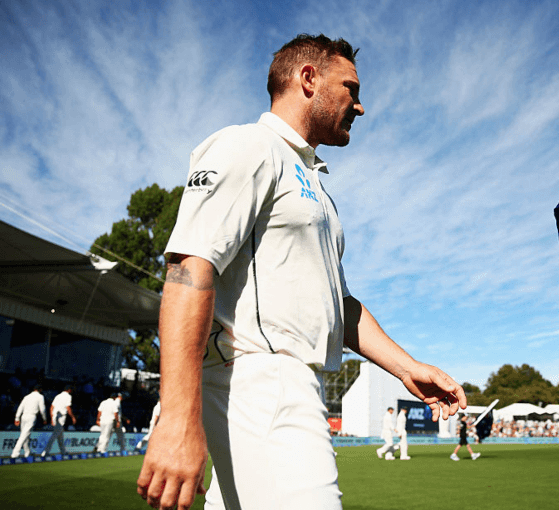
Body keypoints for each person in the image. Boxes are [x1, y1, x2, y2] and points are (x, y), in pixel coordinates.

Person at [136, 33, 466, 510]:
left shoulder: (315, 188)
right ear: (308, 78)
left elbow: (341, 305)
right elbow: (190, 267)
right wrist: (177, 417)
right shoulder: (249, 145)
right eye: (351, 88)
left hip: (278, 385)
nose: (360, 106)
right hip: (261, 380)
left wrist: (407, 368)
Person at [11, 385, 46, 458]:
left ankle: (27, 452)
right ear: (40, 389)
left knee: (25, 435)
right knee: (24, 435)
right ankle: (15, 453)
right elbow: (42, 409)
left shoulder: (27, 397)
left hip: (23, 416)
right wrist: (44, 418)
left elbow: (20, 407)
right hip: (31, 416)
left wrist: (17, 418)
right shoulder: (40, 397)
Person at [41, 385, 76, 457]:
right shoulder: (68, 396)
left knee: (60, 436)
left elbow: (51, 407)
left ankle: (63, 451)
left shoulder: (58, 396)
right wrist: (73, 417)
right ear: (69, 390)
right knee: (54, 435)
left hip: (55, 416)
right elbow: (68, 407)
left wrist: (52, 417)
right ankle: (45, 451)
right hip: (61, 417)